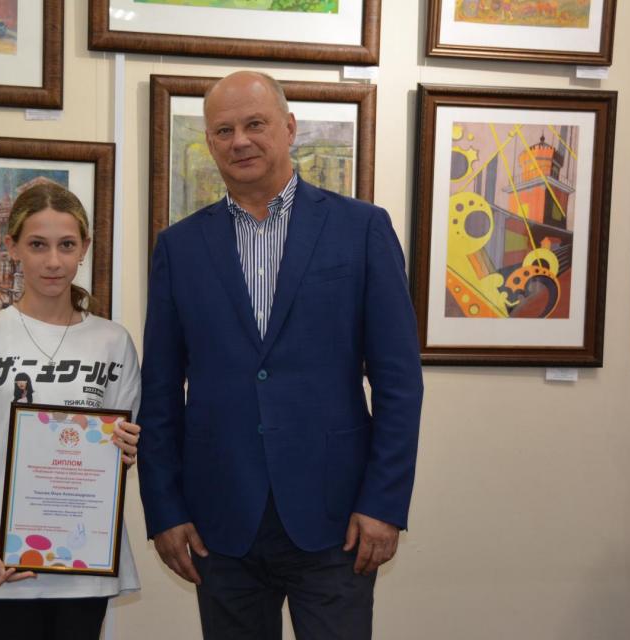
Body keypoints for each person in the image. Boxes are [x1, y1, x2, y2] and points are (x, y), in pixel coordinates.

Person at [137, 71, 423, 640]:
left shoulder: (361, 228)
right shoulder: (179, 247)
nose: (240, 140)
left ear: (289, 127)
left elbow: (399, 383)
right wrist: (165, 509)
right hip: (221, 519)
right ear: (209, 142)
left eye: (255, 124)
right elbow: (161, 391)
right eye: (224, 130)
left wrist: (384, 503)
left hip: (338, 517)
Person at [0, 181, 142, 640]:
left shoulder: (113, 342)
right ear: (13, 247)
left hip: (83, 567)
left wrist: (125, 447)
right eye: (38, 245)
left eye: (67, 245)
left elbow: (116, 452)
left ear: (84, 249)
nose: (53, 261)